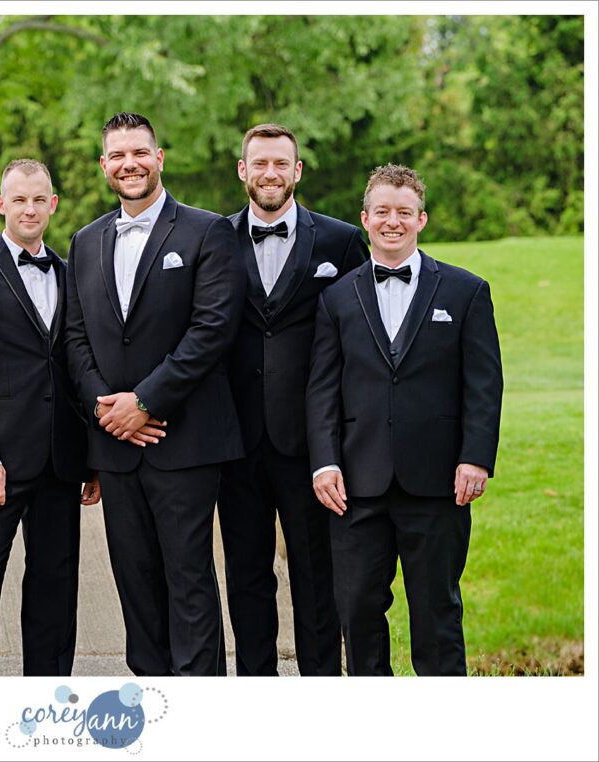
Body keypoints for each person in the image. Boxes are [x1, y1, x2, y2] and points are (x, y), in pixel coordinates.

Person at [65, 112, 246, 676]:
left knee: (188, 579)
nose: (129, 164)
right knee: (134, 580)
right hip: (115, 448)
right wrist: (105, 409)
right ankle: (151, 698)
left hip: (185, 440)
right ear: (104, 166)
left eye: (139, 152)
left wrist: (144, 402)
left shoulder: (206, 231)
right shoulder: (85, 240)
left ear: (159, 157)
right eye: (117, 155)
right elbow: (74, 336)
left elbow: (211, 329)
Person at [306, 163, 503, 676]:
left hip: (438, 483)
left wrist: (475, 458)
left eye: (404, 212)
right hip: (355, 485)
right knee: (358, 613)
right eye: (383, 212)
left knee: (437, 615)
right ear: (365, 219)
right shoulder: (336, 297)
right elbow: (322, 388)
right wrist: (324, 463)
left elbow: (483, 385)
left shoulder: (466, 292)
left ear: (422, 220)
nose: (393, 221)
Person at [218, 124, 368, 676]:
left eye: (282, 163)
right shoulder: (215, 238)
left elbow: (362, 342)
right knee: (247, 576)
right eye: (259, 163)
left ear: (298, 171)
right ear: (243, 170)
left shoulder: (340, 241)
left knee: (316, 576)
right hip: (235, 441)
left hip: (311, 442)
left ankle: (321, 690)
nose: (270, 174)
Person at [0, 159, 101, 676]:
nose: (30, 209)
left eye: (39, 200)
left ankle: (48, 696)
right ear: (1, 204)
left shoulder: (70, 270)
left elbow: (79, 363)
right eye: (19, 200)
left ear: (52, 204)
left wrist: (91, 458)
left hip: (61, 459)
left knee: (55, 587)